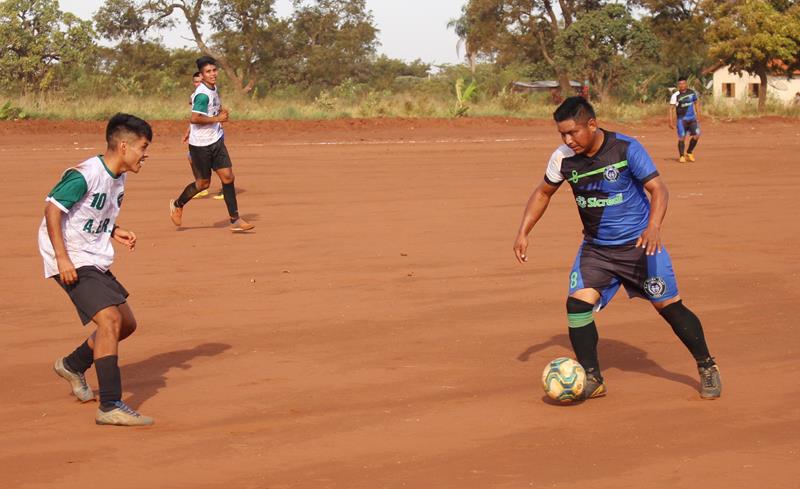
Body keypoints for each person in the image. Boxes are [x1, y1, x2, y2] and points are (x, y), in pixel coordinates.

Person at [513, 96, 721, 401]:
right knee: (577, 306)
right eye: (562, 135)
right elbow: (543, 192)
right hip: (596, 251)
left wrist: (654, 226)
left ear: (592, 124)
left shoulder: (626, 148)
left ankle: (707, 365)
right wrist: (523, 231)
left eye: (572, 133)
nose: (568, 140)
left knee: (671, 309)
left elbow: (658, 189)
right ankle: (593, 378)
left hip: (640, 247)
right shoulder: (562, 158)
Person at [40, 113, 155, 426]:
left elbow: (91, 210)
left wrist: (112, 230)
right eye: (143, 147)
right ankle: (110, 405)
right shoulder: (85, 174)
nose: (146, 153)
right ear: (122, 146)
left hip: (92, 252)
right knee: (109, 320)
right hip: (71, 255)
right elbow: (53, 209)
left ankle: (73, 364)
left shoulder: (119, 175)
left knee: (126, 324)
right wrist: (62, 258)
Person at [169, 55, 254, 232]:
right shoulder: (201, 94)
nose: (213, 73)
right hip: (200, 145)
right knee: (202, 184)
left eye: (214, 70)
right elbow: (195, 118)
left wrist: (220, 111)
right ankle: (178, 204)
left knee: (228, 177)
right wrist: (218, 118)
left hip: (216, 140)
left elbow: (211, 109)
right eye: (208, 71)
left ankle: (235, 220)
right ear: (202, 74)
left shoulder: (213, 88)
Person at [183, 71, 209, 199]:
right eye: (196, 82)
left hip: (211, 134)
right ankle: (200, 185)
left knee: (216, 162)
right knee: (191, 157)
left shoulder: (209, 94)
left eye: (201, 81)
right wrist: (189, 130)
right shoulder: (194, 96)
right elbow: (195, 116)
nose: (198, 84)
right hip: (197, 134)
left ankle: (225, 188)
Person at [669, 77, 701, 163]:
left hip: (692, 119)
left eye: (684, 83)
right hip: (681, 120)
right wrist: (671, 121)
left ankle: (689, 152)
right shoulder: (675, 95)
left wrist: (698, 115)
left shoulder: (692, 93)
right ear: (678, 85)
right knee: (682, 137)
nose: (682, 85)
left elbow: (696, 103)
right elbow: (671, 108)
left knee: (697, 135)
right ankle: (682, 156)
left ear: (686, 84)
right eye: (680, 84)